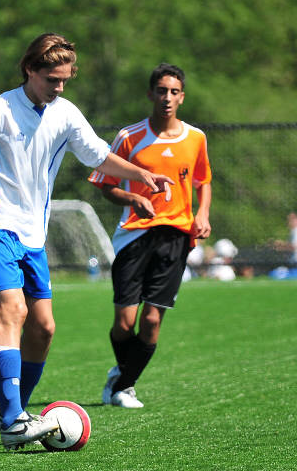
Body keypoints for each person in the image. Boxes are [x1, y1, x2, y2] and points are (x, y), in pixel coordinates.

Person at [0, 33, 174, 450]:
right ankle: (12, 420)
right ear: (30, 70)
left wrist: (141, 175)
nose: (58, 87)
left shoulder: (65, 113)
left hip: (31, 234)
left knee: (43, 328)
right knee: (13, 311)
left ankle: (14, 412)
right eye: (51, 79)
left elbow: (98, 155)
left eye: (64, 80)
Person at [88, 63, 212, 408]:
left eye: (174, 92)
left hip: (176, 236)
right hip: (133, 235)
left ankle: (123, 386)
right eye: (161, 90)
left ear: (182, 97)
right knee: (124, 323)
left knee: (153, 320)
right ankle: (122, 376)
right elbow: (105, 185)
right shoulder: (129, 137)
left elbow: (203, 180)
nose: (167, 97)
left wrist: (202, 213)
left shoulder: (196, 138)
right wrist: (133, 198)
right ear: (150, 93)